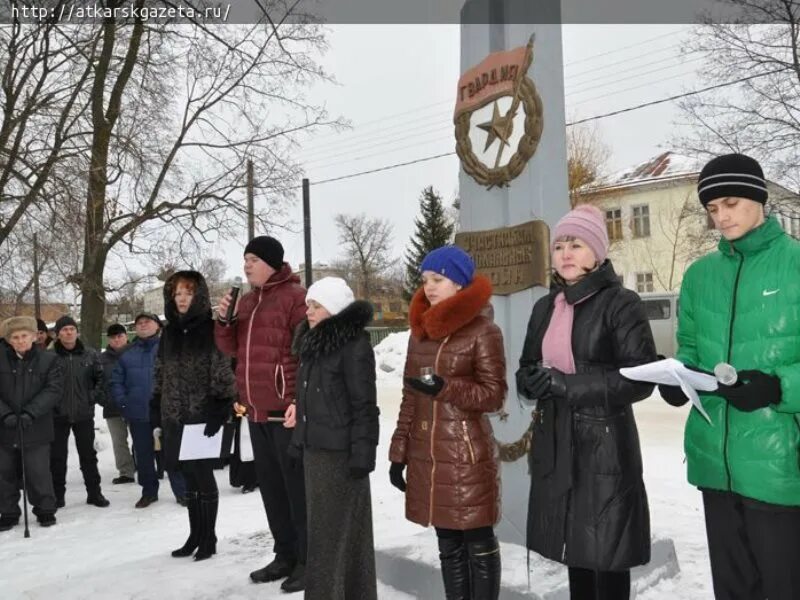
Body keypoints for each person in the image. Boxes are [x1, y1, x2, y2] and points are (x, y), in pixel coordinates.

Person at [657, 153, 800, 600]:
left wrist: (779, 386)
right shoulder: (700, 276)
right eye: (712, 209)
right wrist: (679, 380)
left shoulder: (795, 264)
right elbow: (692, 350)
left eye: (731, 203)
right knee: (734, 590)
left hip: (781, 460)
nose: (721, 217)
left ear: (759, 198)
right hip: (714, 460)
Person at [516, 204, 656, 600]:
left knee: (607, 552)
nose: (565, 253)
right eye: (559, 245)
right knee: (574, 549)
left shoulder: (621, 303)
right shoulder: (546, 306)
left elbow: (638, 379)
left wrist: (566, 385)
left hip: (604, 444)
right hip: (557, 440)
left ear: (597, 252)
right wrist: (533, 381)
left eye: (576, 244)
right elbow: (526, 368)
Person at [389, 246, 507, 600]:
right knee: (447, 543)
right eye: (425, 280)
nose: (429, 287)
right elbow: (410, 397)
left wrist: (445, 388)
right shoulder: (419, 333)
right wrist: (399, 452)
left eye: (437, 279)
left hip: (466, 455)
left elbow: (494, 394)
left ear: (458, 283)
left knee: (477, 541)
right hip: (428, 455)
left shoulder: (483, 330)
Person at [215, 235, 308, 592]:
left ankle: (307, 558)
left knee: (296, 491)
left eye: (252, 258)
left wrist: (299, 401)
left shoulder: (295, 298)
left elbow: (305, 355)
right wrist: (224, 321)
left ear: (271, 262)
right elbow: (229, 347)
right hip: (255, 412)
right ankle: (284, 554)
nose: (246, 265)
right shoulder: (249, 302)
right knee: (271, 491)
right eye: (245, 259)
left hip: (285, 413)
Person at [290, 277, 380, 600]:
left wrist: (362, 456)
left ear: (335, 308)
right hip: (316, 454)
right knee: (326, 537)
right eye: (308, 305)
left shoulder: (353, 346)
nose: (308, 311)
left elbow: (364, 406)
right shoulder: (313, 346)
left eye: (316, 306)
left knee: (336, 539)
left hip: (341, 458)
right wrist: (299, 439)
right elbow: (307, 399)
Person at [152, 271, 236, 561]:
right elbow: (161, 370)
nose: (182, 298)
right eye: (177, 293)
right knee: (188, 477)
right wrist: (156, 404)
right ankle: (194, 535)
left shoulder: (211, 329)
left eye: (188, 292)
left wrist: (220, 405)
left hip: (203, 416)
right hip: (175, 414)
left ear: (198, 296)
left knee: (203, 475)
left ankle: (208, 537)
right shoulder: (169, 332)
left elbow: (223, 368)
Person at [111, 313, 186, 508]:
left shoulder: (170, 349)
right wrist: (124, 402)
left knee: (173, 453)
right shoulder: (126, 353)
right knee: (143, 456)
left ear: (158, 326)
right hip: (139, 413)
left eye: (147, 322)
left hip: (167, 412)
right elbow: (116, 381)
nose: (143, 325)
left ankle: (182, 491)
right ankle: (149, 491)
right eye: (139, 323)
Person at [0, 317, 62, 530]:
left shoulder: (49, 359)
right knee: (4, 471)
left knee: (37, 471)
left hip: (36, 425)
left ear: (34, 336)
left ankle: (45, 509)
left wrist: (30, 412)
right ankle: (8, 511)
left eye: (24, 336)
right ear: (8, 340)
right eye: (15, 337)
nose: (20, 340)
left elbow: (53, 390)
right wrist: (5, 414)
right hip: (4, 427)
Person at [49, 315, 110, 508]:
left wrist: (91, 396)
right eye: (64, 330)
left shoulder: (90, 355)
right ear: (58, 334)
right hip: (57, 415)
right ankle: (58, 495)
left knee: (88, 456)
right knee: (57, 457)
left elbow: (101, 379)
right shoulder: (49, 357)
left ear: (77, 331)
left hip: (84, 414)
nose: (68, 332)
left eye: (71, 329)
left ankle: (94, 493)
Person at [102, 323, 135, 485]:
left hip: (135, 405)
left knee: (141, 439)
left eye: (120, 336)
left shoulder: (136, 353)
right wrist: (103, 399)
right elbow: (96, 383)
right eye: (113, 337)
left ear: (126, 336)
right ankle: (126, 472)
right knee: (119, 441)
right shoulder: (101, 359)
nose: (117, 340)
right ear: (108, 339)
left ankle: (144, 467)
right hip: (112, 407)